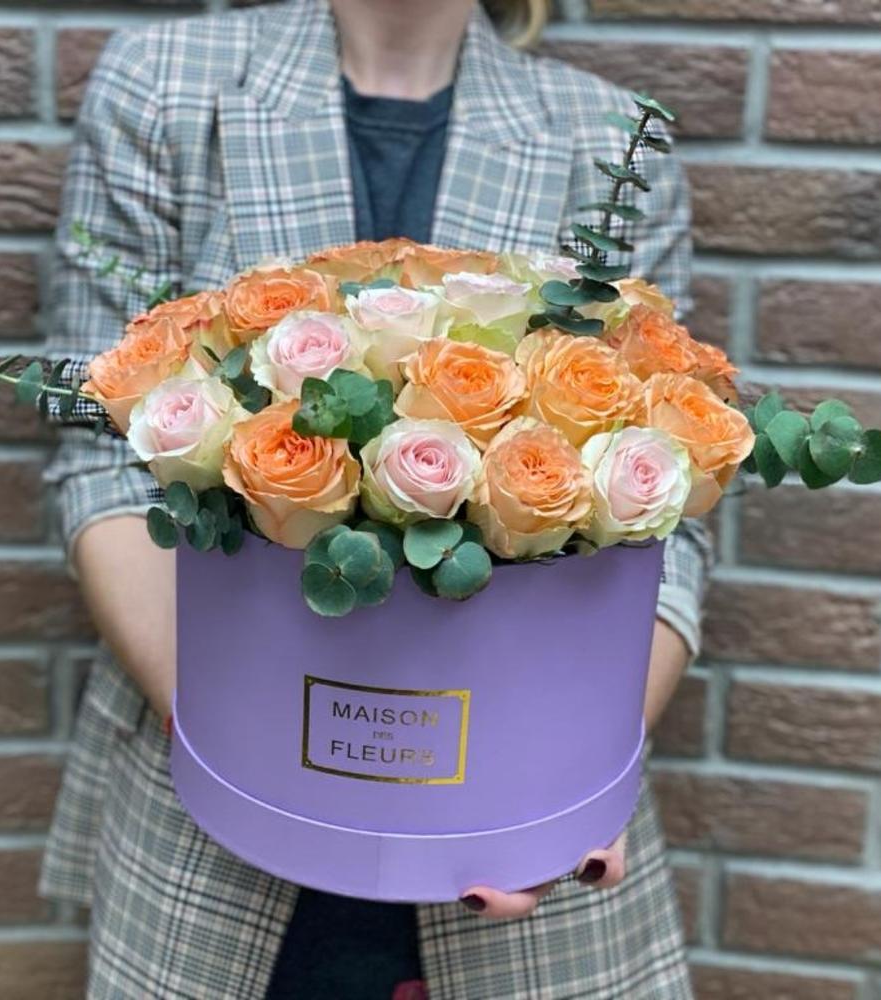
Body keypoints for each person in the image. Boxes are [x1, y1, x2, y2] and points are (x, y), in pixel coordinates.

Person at [41, 0, 711, 996]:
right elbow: (100, 454)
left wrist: (573, 772)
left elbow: (672, 503)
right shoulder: (165, 88)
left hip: (515, 843)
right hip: (217, 824)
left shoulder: (608, 141)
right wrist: (243, 736)